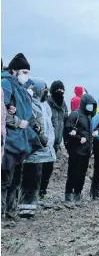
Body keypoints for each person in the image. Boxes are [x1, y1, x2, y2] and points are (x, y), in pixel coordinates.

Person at [1, 53, 43, 216]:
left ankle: (10, 211)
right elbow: (3, 111)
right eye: (24, 72)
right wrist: (17, 121)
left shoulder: (21, 89)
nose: (26, 76)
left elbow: (26, 112)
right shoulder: (5, 84)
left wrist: (35, 127)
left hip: (20, 139)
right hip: (9, 138)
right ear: (14, 70)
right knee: (4, 177)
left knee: (15, 177)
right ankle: (3, 212)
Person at [18, 79, 55, 215]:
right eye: (44, 90)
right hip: (32, 147)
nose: (46, 93)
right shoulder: (31, 105)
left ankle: (31, 204)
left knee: (36, 176)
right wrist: (40, 138)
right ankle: (24, 207)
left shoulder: (44, 106)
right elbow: (34, 126)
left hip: (42, 147)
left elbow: (48, 125)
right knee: (29, 176)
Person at [63, 93, 97, 202]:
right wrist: (78, 138)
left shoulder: (89, 116)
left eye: (92, 104)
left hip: (86, 150)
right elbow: (68, 130)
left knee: (82, 172)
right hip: (75, 150)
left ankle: (78, 193)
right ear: (84, 104)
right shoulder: (75, 115)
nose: (90, 106)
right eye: (89, 104)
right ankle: (68, 193)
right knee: (73, 171)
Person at [39, 80, 68, 199]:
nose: (60, 93)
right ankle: (37, 190)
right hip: (45, 142)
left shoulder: (63, 104)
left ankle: (43, 191)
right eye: (58, 90)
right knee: (41, 167)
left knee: (49, 168)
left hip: (56, 142)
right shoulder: (47, 104)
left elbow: (65, 121)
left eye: (62, 91)